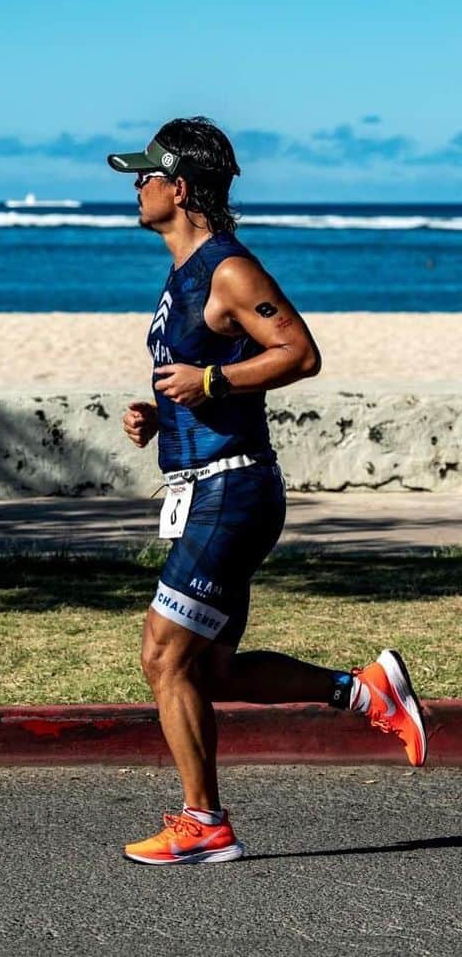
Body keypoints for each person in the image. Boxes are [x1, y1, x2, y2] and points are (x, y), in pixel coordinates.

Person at [109, 116, 426, 866]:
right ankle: (365, 690)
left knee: (164, 655)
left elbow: (300, 352)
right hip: (204, 484)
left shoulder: (228, 270)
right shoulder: (185, 274)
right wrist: (165, 410)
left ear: (180, 187)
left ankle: (205, 821)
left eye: (147, 175)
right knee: (209, 668)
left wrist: (209, 380)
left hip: (234, 490)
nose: (137, 186)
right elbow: (212, 370)